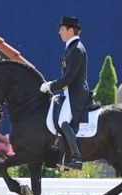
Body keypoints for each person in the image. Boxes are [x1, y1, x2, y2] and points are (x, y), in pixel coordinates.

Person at [40, 16, 89, 170]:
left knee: (63, 121)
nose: (59, 32)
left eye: (61, 29)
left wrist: (51, 86)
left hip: (76, 93)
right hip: (69, 92)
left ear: (70, 30)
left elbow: (69, 77)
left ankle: (76, 157)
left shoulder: (76, 49)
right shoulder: (71, 47)